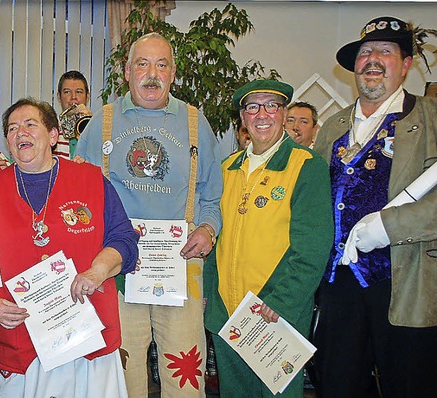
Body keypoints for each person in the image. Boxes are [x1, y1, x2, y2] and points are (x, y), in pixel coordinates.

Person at [76, 32, 223, 397]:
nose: (151, 73)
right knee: (123, 370)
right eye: (142, 64)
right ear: (127, 71)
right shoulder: (102, 123)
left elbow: (212, 195)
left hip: (181, 265)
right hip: (119, 268)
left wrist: (207, 229)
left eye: (161, 65)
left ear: (173, 73)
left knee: (185, 370)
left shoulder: (195, 123)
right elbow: (79, 195)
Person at [0, 97, 139, 397]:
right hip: (19, 340)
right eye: (12, 128)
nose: (20, 132)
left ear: (53, 136)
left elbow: (124, 240)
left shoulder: (90, 180)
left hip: (86, 338)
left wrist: (97, 271)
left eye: (30, 124)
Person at [313, 16, 437, 397]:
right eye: (365, 52)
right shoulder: (332, 126)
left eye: (385, 51)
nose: (373, 59)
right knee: (337, 385)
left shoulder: (430, 119)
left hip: (404, 280)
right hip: (338, 288)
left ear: (405, 64)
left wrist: (390, 226)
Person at [204, 79, 333, 397]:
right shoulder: (227, 168)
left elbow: (313, 244)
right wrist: (208, 295)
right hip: (228, 313)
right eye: (252, 107)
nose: (262, 114)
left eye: (272, 105)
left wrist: (281, 301)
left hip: (275, 311)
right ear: (243, 118)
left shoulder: (306, 166)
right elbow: (213, 237)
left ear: (284, 113)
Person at [54, 70, 93, 159]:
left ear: (87, 97)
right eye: (67, 92)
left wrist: (92, 124)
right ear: (59, 97)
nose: (73, 97)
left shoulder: (98, 128)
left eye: (79, 92)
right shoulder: (49, 131)